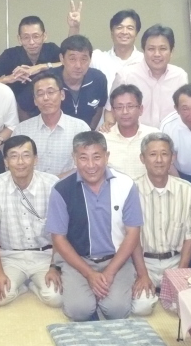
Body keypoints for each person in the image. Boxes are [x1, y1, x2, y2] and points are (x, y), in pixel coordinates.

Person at [46, 131, 143, 321]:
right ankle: (92, 296)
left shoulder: (126, 185)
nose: (91, 165)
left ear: (107, 156)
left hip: (116, 260)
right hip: (78, 261)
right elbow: (58, 238)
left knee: (117, 310)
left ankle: (102, 297)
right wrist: (89, 274)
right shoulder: (61, 189)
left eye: (97, 157)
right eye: (83, 158)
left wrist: (110, 272)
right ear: (74, 158)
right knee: (79, 310)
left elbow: (133, 233)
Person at [0, 136, 63, 307]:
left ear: (36, 159)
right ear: (6, 162)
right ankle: (21, 287)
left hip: (45, 255)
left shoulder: (52, 184)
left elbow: (59, 231)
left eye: (26, 155)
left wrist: (54, 267)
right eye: (13, 156)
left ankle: (34, 286)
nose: (20, 162)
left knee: (56, 298)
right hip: (10, 256)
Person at [130, 133, 191, 316]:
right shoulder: (132, 190)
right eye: (153, 154)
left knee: (186, 310)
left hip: (175, 262)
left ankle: (166, 293)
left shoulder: (187, 190)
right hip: (143, 263)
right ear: (142, 158)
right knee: (142, 308)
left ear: (173, 157)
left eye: (164, 154)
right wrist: (142, 274)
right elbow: (132, 238)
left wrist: (179, 275)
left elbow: (190, 237)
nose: (159, 160)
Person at [107, 24, 188, 128]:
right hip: (135, 136)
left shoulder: (180, 76)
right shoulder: (125, 76)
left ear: (171, 52)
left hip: (170, 136)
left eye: (163, 49)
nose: (157, 54)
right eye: (151, 49)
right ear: (143, 51)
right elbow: (110, 110)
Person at [20, 35, 107, 129]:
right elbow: (22, 106)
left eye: (84, 59)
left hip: (83, 135)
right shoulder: (46, 79)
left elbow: (99, 107)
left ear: (90, 59)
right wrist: (32, 132)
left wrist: (90, 131)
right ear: (62, 58)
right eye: (72, 59)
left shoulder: (98, 79)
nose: (78, 65)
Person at [12, 72, 89, 177]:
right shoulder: (22, 130)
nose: (46, 98)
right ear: (35, 100)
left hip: (67, 185)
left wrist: (54, 182)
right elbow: (14, 165)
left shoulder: (80, 128)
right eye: (40, 94)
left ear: (62, 95)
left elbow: (85, 165)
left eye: (51, 92)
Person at [67, 2, 144, 98]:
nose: (124, 32)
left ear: (136, 33)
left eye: (130, 28)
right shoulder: (98, 58)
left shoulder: (145, 61)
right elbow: (73, 53)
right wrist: (74, 28)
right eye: (119, 27)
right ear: (112, 33)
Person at [0, 16, 62, 118]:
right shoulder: (10, 55)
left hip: (49, 107)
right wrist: (8, 79)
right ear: (19, 39)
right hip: (18, 112)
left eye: (36, 36)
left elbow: (68, 64)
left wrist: (41, 67)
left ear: (44, 36)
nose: (31, 42)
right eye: (26, 37)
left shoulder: (51, 49)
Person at [102, 84, 159, 180]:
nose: (125, 112)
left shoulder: (155, 136)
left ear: (140, 109)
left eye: (130, 106)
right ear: (113, 112)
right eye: (119, 107)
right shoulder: (103, 139)